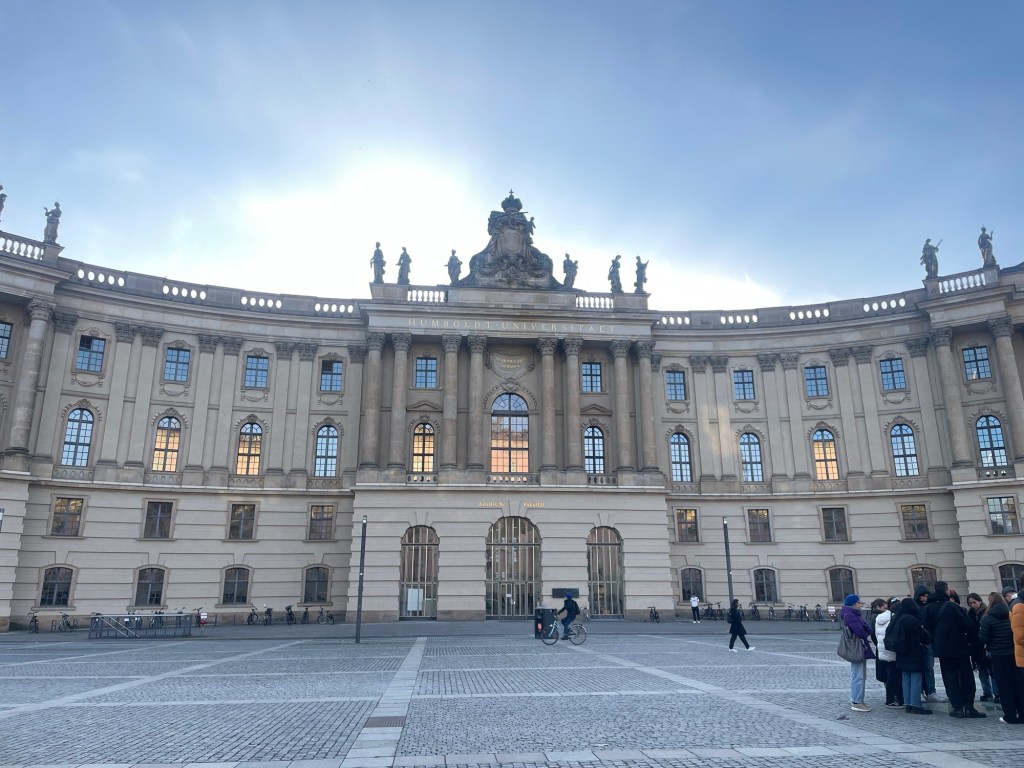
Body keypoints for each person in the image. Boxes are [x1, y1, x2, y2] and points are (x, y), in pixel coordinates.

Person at [924, 580, 985, 718]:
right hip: (959, 647)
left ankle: (957, 707)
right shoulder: (952, 606)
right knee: (966, 676)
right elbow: (968, 625)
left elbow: (927, 629)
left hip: (942, 649)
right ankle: (969, 706)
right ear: (947, 591)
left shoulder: (929, 608)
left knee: (949, 678)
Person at [979, 592, 1023, 724]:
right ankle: (1022, 713)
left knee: (1004, 685)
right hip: (1014, 653)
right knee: (1018, 684)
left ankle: (1010, 715)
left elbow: (982, 638)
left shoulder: (987, 617)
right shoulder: (1010, 612)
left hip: (998, 654)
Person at [892, 596, 933, 714]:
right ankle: (916, 705)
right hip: (914, 652)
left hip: (901, 652)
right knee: (915, 678)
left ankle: (908, 704)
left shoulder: (898, 618)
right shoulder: (912, 620)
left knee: (906, 678)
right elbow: (923, 636)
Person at [840, 594, 874, 712]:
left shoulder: (853, 614)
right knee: (858, 675)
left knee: (859, 674)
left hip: (859, 646)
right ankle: (857, 701)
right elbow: (860, 631)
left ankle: (859, 700)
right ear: (854, 604)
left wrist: (866, 628)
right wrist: (866, 629)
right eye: (859, 603)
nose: (861, 605)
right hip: (857, 647)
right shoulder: (850, 614)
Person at [915, 584, 944, 702]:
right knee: (919, 668)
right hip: (918, 642)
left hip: (928, 641)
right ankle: (920, 691)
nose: (925, 598)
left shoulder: (930, 607)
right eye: (923, 596)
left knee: (929, 668)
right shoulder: (915, 607)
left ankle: (931, 691)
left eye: (927, 596)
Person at [967, 592, 998, 702]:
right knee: (982, 670)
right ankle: (987, 693)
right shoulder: (970, 614)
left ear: (979, 601)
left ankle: (997, 693)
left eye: (974, 602)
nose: (972, 605)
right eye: (970, 603)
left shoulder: (986, 612)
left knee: (992, 670)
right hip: (976, 646)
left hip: (987, 645)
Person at [875, 597, 904, 707]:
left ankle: (892, 698)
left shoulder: (879, 617)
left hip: (882, 650)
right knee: (895, 676)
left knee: (890, 676)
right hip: (893, 651)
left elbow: (875, 635)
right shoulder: (895, 618)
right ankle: (893, 699)